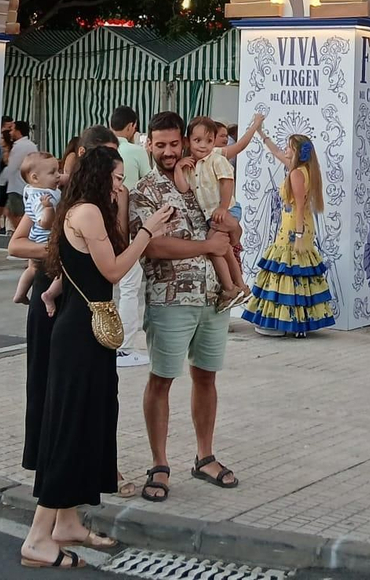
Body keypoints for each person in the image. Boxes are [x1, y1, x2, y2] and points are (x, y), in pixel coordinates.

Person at [23, 144, 176, 570]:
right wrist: (148, 232)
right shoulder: (87, 212)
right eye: (117, 177)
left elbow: (75, 268)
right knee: (70, 427)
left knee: (91, 421)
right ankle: (37, 538)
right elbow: (112, 270)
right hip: (80, 334)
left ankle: (67, 522)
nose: (120, 184)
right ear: (99, 175)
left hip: (86, 330)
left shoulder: (85, 209)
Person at [130, 111, 239, 502]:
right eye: (160, 145)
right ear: (149, 145)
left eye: (174, 143)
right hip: (170, 299)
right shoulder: (144, 191)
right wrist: (207, 247)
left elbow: (228, 224)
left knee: (206, 376)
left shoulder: (202, 177)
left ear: (186, 140)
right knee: (161, 379)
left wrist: (230, 234)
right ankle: (159, 463)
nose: (169, 151)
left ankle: (204, 456)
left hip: (213, 296)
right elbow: (153, 246)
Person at [242, 134, 334, 337]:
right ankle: (299, 322)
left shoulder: (296, 174)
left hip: (293, 226)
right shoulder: (305, 170)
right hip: (300, 225)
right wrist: (261, 133)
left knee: (287, 268)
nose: (285, 149)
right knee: (298, 270)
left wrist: (299, 234)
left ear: (297, 151)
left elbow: (299, 206)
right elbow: (276, 152)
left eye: (289, 147)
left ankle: (286, 321)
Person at [184, 113, 264, 307]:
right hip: (213, 214)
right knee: (223, 247)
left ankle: (231, 287)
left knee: (215, 247)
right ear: (188, 141)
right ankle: (240, 286)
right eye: (198, 140)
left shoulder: (217, 158)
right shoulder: (190, 164)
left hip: (225, 210)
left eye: (209, 140)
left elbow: (227, 182)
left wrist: (223, 207)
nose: (203, 145)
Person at [111, 106, 153, 368]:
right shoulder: (135, 151)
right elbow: (150, 183)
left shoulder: (99, 148)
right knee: (129, 289)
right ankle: (124, 347)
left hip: (101, 231)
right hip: (129, 232)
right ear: (133, 126)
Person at [17, 152, 63, 306]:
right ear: (35, 178)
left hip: (35, 238)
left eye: (58, 171)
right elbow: (44, 223)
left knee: (32, 269)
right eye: (52, 172)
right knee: (60, 269)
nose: (58, 176)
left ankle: (20, 294)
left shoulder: (32, 190)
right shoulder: (42, 197)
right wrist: (49, 208)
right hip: (45, 238)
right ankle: (49, 296)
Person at [0, 113, 15, 235]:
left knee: (7, 208)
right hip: (0, 182)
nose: (10, 131)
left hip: (8, 183)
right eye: (8, 128)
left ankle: (7, 229)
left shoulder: (13, 146)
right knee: (0, 209)